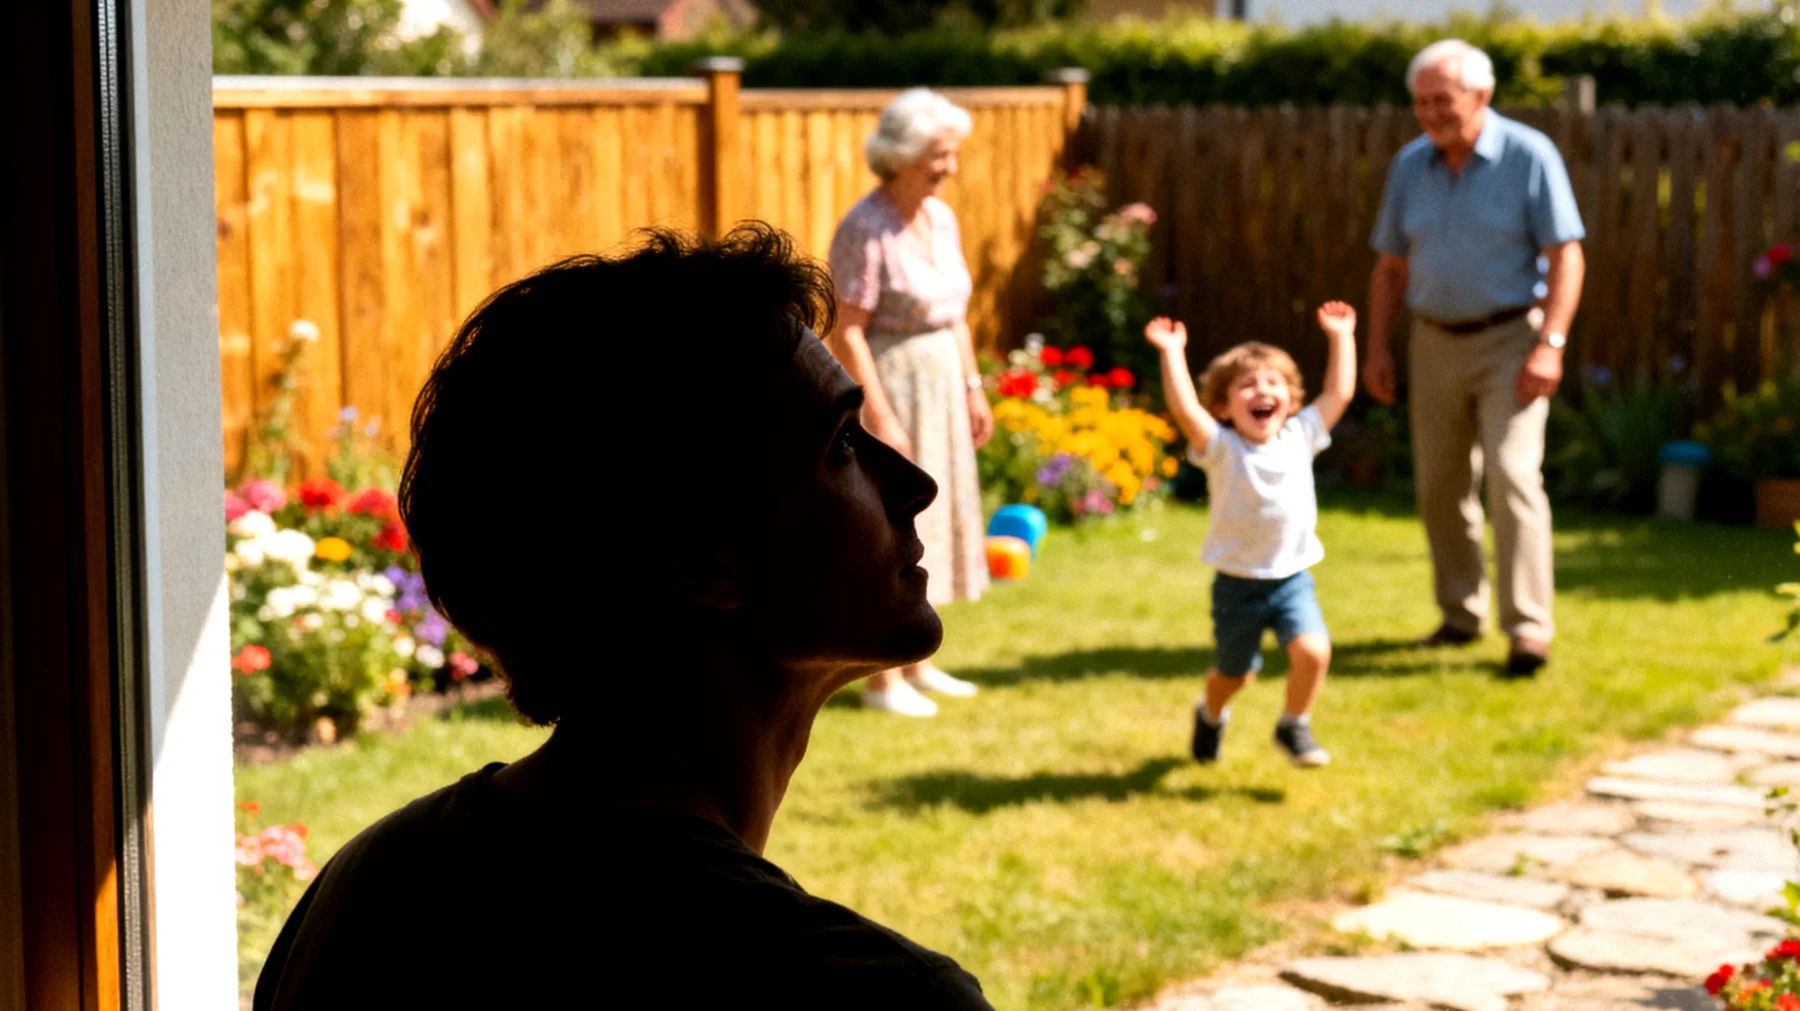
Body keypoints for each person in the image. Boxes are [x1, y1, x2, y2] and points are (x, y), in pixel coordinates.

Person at [252, 226, 995, 1010]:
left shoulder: (372, 886)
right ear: (703, 560)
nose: (914, 485)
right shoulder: (878, 997)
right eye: (843, 443)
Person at [1363, 39, 1586, 678]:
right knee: (1439, 485)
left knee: (1512, 475)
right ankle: (1461, 615)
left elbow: (1567, 254)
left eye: (1444, 100)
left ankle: (1528, 632)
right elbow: (1389, 267)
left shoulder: (1528, 156)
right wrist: (1378, 348)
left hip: (1512, 339)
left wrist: (1552, 344)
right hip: (1431, 340)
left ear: (1481, 96)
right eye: (1421, 102)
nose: (1431, 113)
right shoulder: (1410, 166)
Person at [825, 87, 992, 717]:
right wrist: (882, 415)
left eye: (951, 153)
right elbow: (850, 328)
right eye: (938, 154)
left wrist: (974, 388)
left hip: (944, 382)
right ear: (900, 156)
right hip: (893, 382)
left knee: (934, 524)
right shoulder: (864, 227)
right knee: (893, 531)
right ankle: (880, 681)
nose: (949, 166)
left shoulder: (940, 219)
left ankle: (918, 662)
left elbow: (957, 315)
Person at [1144, 302, 1358, 768]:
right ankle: (1211, 713)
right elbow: (1183, 407)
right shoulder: (1221, 447)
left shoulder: (1301, 436)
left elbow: (1339, 391)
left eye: (1272, 382)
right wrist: (1172, 351)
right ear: (1223, 406)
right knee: (1234, 675)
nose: (1262, 391)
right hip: (1237, 585)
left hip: (1291, 578)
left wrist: (1341, 336)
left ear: (1291, 399)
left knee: (1314, 651)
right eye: (1247, 385)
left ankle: (1293, 725)